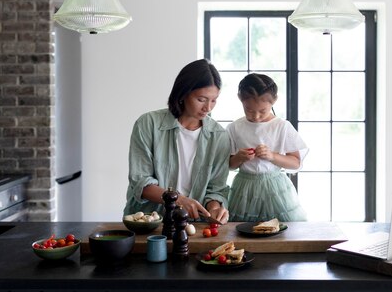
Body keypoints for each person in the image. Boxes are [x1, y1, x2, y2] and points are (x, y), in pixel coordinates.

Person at [123, 59, 230, 224]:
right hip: (149, 223)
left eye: (214, 100)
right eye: (201, 99)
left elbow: (216, 189)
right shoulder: (148, 124)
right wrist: (178, 200)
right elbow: (140, 181)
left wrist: (215, 207)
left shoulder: (219, 136)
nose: (208, 108)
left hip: (195, 226)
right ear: (183, 93)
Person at [227, 73, 308, 222]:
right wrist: (239, 157)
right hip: (244, 189)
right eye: (249, 110)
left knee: (282, 231)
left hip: (275, 188)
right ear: (240, 99)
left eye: (263, 111)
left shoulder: (282, 126)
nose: (256, 116)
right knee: (242, 230)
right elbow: (229, 165)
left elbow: (296, 162)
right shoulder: (235, 127)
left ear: (274, 101)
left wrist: (272, 156)